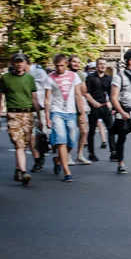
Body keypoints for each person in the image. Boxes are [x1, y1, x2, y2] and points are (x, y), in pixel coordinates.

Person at [0, 53, 42, 186]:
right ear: (13, 63)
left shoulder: (29, 79)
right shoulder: (5, 78)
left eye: (21, 62)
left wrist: (40, 118)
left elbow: (34, 98)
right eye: (16, 62)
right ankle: (24, 172)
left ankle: (18, 169)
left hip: (28, 114)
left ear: (26, 64)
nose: (19, 64)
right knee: (18, 143)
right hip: (13, 114)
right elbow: (0, 96)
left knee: (23, 144)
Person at [45, 54, 86, 182]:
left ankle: (58, 159)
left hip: (71, 112)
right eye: (57, 66)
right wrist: (47, 117)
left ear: (66, 64)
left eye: (62, 65)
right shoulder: (50, 78)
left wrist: (82, 113)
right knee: (61, 141)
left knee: (71, 142)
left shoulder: (74, 76)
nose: (59, 68)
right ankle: (67, 172)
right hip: (56, 112)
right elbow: (47, 99)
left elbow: (79, 95)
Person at [85, 58, 116, 162]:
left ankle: (113, 152)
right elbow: (86, 93)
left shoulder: (109, 79)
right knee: (92, 130)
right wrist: (93, 102)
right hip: (94, 107)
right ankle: (91, 153)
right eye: (100, 64)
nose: (102, 66)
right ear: (97, 66)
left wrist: (112, 105)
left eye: (104, 64)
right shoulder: (90, 78)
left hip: (105, 106)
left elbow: (112, 93)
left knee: (111, 128)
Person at [25, 59, 49, 173]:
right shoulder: (19, 75)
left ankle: (43, 153)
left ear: (27, 63)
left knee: (43, 136)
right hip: (28, 109)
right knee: (31, 136)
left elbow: (48, 89)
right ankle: (37, 160)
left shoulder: (39, 73)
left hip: (41, 108)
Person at [68, 55, 91, 165]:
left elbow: (84, 91)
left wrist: (81, 81)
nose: (76, 64)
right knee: (71, 133)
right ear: (69, 63)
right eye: (74, 62)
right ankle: (67, 156)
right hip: (69, 106)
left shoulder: (81, 75)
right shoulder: (66, 74)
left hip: (80, 104)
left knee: (84, 131)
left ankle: (80, 155)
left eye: (78, 62)